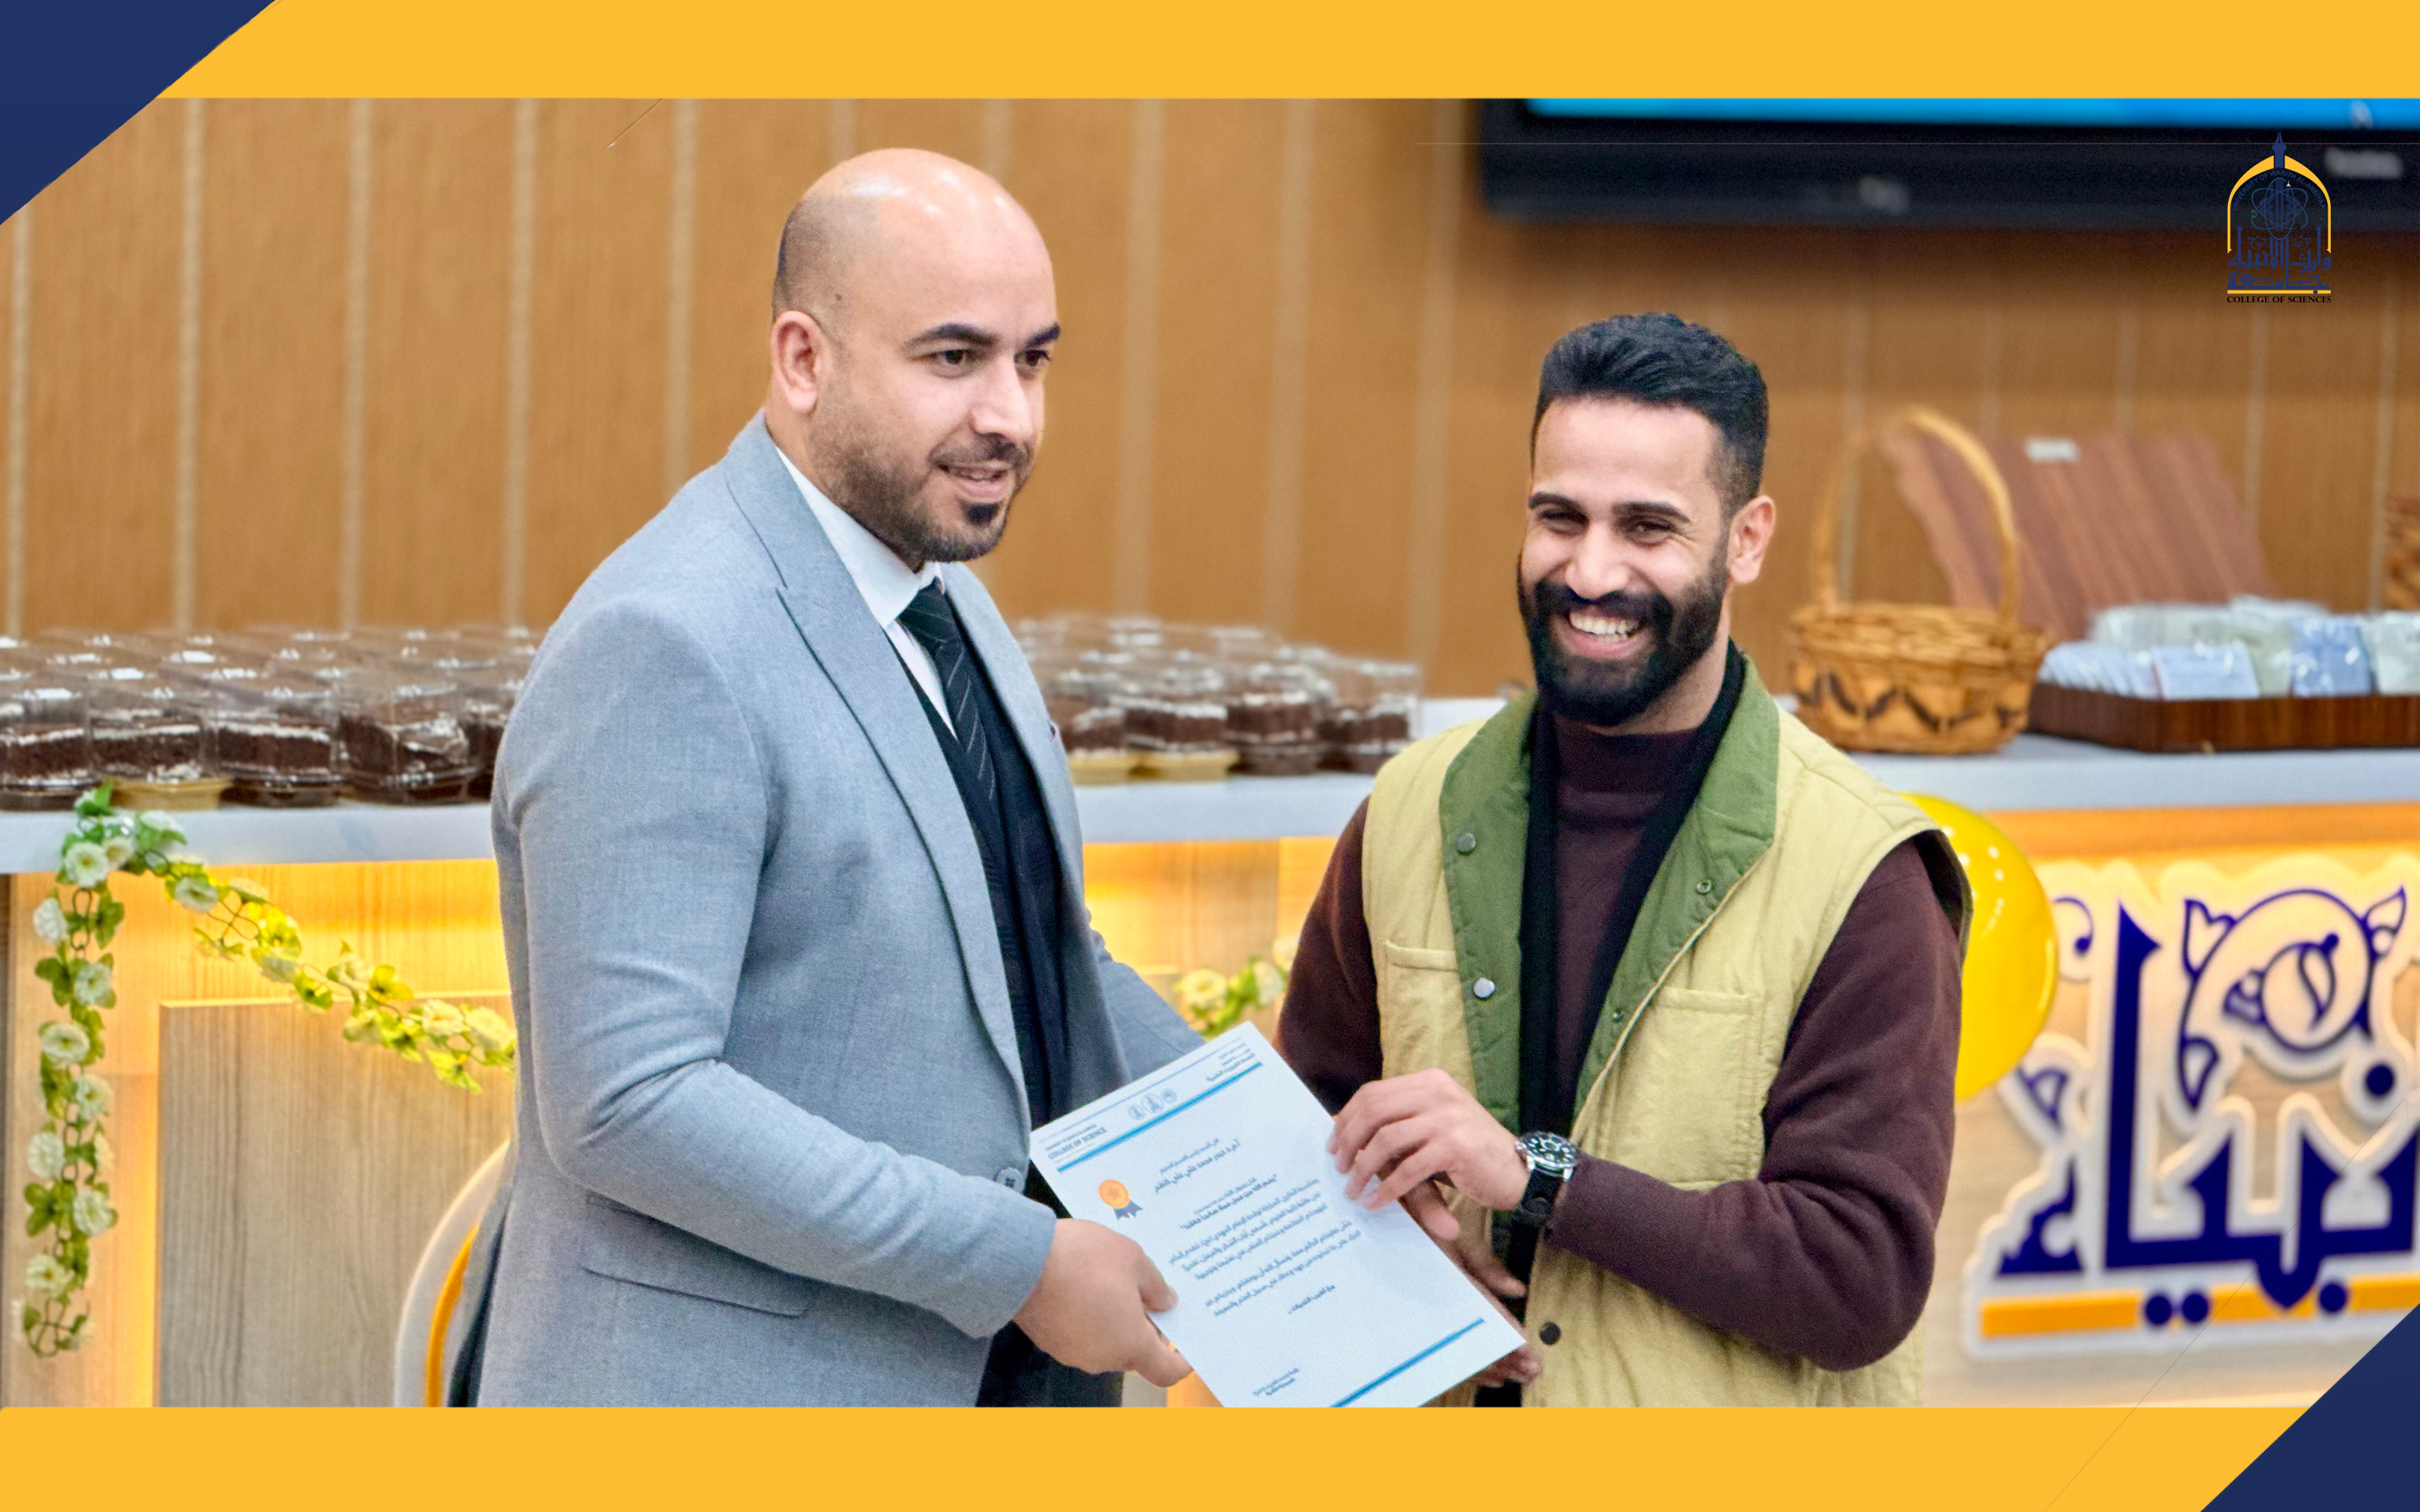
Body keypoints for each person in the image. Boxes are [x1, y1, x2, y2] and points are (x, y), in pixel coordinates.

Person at [474, 150, 1199, 1405]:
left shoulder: (940, 593)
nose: (1012, 419)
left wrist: (1303, 1178)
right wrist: (1016, 1263)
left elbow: (1037, 951)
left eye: (1032, 361)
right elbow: (631, 1101)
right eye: (953, 358)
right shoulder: (664, 639)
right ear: (803, 360)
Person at [1279, 314, 1969, 1406]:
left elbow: (1859, 1279)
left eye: (1648, 528)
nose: (1590, 571)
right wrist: (1398, 1253)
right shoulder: (1410, 808)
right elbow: (1306, 1132)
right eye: (1560, 518)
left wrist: (1540, 1180)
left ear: (1747, 540)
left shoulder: (1863, 869)